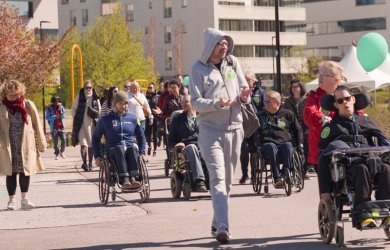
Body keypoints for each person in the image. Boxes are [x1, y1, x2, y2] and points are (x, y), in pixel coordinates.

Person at [189, 27, 251, 243]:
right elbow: (195, 102)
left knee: (227, 182)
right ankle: (224, 227)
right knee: (217, 178)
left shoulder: (233, 63)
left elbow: (244, 88)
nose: (224, 46)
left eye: (226, 43)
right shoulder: (197, 69)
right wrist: (217, 103)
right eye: (219, 43)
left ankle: (217, 221)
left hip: (235, 128)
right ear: (209, 45)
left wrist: (244, 96)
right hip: (210, 131)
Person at [318, 85, 390, 228]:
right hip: (349, 167)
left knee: (386, 169)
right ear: (335, 105)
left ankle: (385, 211)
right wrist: (324, 190)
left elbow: (384, 140)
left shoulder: (365, 121)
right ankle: (364, 214)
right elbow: (323, 158)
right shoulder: (331, 127)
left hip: (372, 161)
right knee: (361, 169)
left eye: (347, 98)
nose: (345, 102)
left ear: (353, 99)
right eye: (340, 101)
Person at [0, 80, 47, 210]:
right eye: (11, 95)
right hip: (8, 145)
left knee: (25, 172)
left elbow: (37, 124)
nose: (14, 98)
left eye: (17, 95)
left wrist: (42, 143)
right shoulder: (2, 107)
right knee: (11, 173)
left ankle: (25, 199)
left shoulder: (27, 105)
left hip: (26, 144)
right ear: (5, 94)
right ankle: (11, 201)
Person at [92, 91, 146, 189]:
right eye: (120, 103)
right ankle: (125, 178)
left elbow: (141, 136)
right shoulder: (105, 120)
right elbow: (95, 138)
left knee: (133, 149)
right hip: (112, 149)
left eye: (125, 103)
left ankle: (133, 178)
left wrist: (143, 152)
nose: (123, 106)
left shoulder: (133, 119)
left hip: (129, 146)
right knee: (119, 148)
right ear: (115, 104)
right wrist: (97, 156)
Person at [304, 61, 345, 173]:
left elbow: (354, 109)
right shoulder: (314, 96)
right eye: (320, 74)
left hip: (343, 144)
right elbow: (309, 111)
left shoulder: (345, 95)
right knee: (326, 185)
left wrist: (361, 115)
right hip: (321, 147)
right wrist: (320, 117)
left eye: (325, 75)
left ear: (336, 79)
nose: (320, 77)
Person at [257, 90, 303, 187]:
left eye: (267, 102)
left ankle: (285, 174)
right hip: (268, 143)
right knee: (271, 146)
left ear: (277, 103)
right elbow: (256, 132)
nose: (264, 103)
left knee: (288, 146)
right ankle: (277, 178)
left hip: (284, 142)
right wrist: (256, 145)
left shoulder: (288, 114)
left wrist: (300, 144)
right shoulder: (261, 115)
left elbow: (298, 129)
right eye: (264, 101)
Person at [168, 94, 207, 192]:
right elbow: (170, 140)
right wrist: (176, 144)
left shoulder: (203, 117)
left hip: (203, 146)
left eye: (186, 102)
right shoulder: (177, 120)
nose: (183, 104)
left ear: (193, 103)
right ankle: (199, 181)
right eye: (182, 102)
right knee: (192, 147)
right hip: (186, 148)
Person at [239, 71, 264, 184]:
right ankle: (245, 174)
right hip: (243, 125)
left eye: (250, 80)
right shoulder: (241, 91)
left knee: (255, 150)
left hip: (256, 125)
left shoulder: (260, 92)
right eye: (246, 79)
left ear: (254, 81)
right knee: (244, 150)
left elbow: (263, 108)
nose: (249, 82)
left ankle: (255, 174)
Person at [71, 80, 101, 172]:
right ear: (84, 88)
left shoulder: (96, 98)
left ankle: (90, 163)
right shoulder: (79, 97)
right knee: (84, 145)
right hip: (81, 125)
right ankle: (84, 163)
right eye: (86, 87)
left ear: (92, 88)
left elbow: (99, 111)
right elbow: (73, 109)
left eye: (90, 87)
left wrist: (94, 115)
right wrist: (77, 118)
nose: (88, 89)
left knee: (91, 145)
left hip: (92, 124)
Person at [283, 79, 309, 176]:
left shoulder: (307, 100)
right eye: (292, 87)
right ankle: (296, 169)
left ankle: (304, 169)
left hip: (306, 127)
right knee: (295, 147)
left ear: (301, 87)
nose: (294, 89)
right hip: (293, 127)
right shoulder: (288, 102)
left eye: (296, 87)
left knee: (306, 149)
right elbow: (284, 114)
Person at [46, 95, 67, 160]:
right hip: (54, 128)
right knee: (55, 142)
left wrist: (61, 116)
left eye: (58, 101)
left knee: (64, 140)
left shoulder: (61, 107)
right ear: (53, 102)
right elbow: (47, 117)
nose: (56, 103)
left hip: (61, 127)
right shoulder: (49, 108)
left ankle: (62, 152)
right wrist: (55, 117)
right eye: (55, 101)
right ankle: (56, 153)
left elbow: (64, 114)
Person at [145, 83, 159, 156]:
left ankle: (155, 150)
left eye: (151, 87)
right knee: (148, 133)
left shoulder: (157, 97)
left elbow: (159, 106)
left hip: (155, 117)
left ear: (154, 88)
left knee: (155, 134)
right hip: (147, 117)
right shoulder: (145, 97)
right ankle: (149, 146)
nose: (149, 89)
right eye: (148, 87)